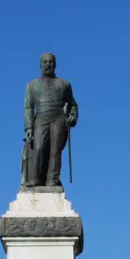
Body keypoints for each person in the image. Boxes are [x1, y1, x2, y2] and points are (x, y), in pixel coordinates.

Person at [22, 52, 79, 188]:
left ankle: (52, 181)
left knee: (55, 150)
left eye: (51, 62)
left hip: (58, 118)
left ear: (55, 64)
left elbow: (73, 105)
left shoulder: (64, 84)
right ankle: (35, 179)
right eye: (45, 62)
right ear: (40, 65)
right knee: (39, 147)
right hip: (40, 119)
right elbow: (28, 108)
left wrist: (73, 115)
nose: (48, 65)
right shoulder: (31, 85)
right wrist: (29, 128)